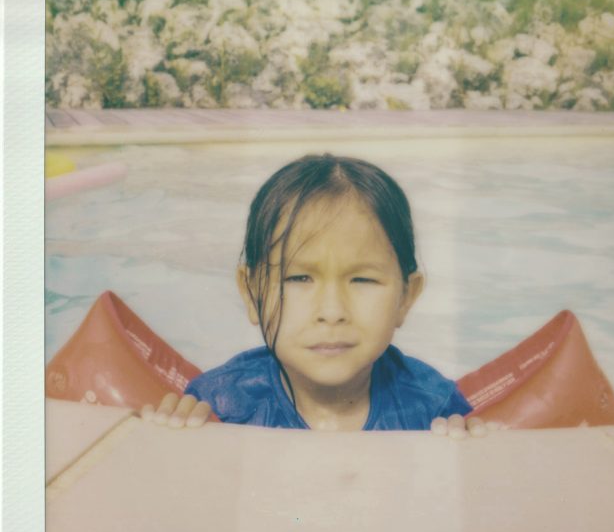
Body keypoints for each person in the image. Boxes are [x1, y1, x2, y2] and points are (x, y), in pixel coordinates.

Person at [142, 154, 487, 438]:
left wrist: (472, 440)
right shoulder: (221, 404)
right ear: (252, 293)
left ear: (406, 298)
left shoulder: (433, 407)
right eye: (299, 277)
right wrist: (175, 431)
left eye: (363, 279)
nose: (332, 311)